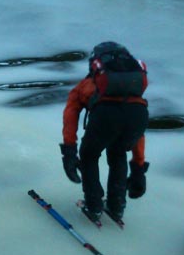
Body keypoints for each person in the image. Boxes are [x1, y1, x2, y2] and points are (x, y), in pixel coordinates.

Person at [60, 41, 150, 223]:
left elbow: (70, 116)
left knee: (89, 155)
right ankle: (117, 206)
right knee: (118, 154)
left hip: (106, 116)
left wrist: (69, 151)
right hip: (138, 114)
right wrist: (138, 168)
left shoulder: (86, 85)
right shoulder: (134, 89)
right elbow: (137, 132)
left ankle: (93, 205)